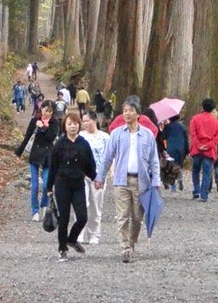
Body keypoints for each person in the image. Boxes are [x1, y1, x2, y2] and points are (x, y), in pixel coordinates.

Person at [95, 95, 162, 263]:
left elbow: (154, 159)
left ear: (138, 114)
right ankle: (125, 247)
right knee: (122, 216)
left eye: (131, 111)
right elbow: (107, 157)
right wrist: (100, 177)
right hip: (121, 181)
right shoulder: (116, 134)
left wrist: (156, 181)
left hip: (142, 181)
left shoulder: (147, 135)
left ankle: (132, 243)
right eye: (125, 111)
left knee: (137, 217)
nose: (127, 114)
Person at [46, 110, 96, 262]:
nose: (73, 127)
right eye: (69, 124)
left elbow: (90, 166)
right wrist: (49, 188)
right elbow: (52, 167)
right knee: (64, 218)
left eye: (75, 124)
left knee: (82, 217)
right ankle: (62, 248)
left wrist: (97, 179)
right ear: (64, 126)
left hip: (78, 183)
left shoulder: (83, 143)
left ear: (79, 125)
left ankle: (72, 238)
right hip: (62, 184)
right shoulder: (59, 145)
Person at [14, 99, 59, 220]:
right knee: (34, 186)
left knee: (46, 185)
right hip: (35, 155)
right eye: (46, 110)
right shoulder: (34, 120)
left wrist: (43, 127)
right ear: (41, 109)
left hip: (48, 156)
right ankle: (35, 211)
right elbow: (27, 136)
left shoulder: (54, 122)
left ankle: (44, 205)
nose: (48, 113)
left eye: (50, 111)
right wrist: (19, 150)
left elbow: (51, 137)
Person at [80, 108, 110, 244]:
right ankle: (79, 232)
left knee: (96, 206)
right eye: (83, 121)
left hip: (99, 176)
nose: (85, 123)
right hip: (82, 175)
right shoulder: (80, 136)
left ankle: (94, 234)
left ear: (95, 120)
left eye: (88, 121)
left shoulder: (105, 137)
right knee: (81, 204)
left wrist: (110, 172)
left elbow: (110, 157)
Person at [188, 98, 218, 202]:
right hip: (209, 150)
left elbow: (193, 134)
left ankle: (197, 190)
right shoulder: (216, 122)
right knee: (207, 172)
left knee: (195, 170)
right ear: (213, 108)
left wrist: (199, 145)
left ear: (203, 106)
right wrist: (208, 146)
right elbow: (217, 137)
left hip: (197, 150)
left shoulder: (195, 119)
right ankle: (204, 195)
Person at [162, 114, 189, 192]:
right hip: (181, 149)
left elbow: (163, 137)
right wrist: (187, 150)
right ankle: (180, 179)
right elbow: (186, 139)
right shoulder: (183, 127)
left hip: (170, 149)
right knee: (179, 166)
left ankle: (173, 186)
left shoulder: (167, 127)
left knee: (171, 167)